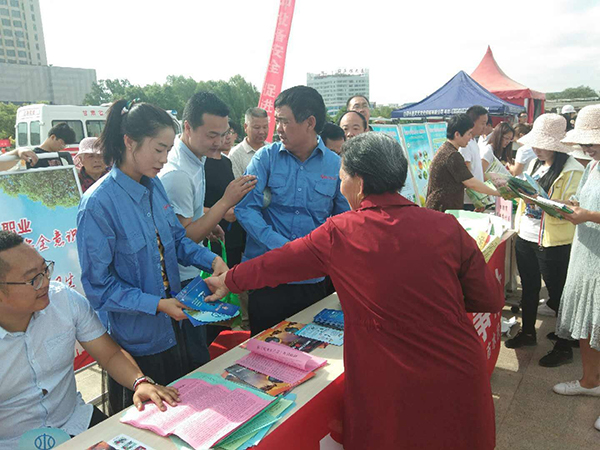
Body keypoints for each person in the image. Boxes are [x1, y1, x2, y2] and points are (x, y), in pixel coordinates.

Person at [206, 132, 502, 450]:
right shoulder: (446, 226)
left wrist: (228, 281)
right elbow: (490, 298)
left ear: (358, 183)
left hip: (390, 385)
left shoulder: (341, 233)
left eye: (342, 177)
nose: (340, 185)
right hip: (458, 373)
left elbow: (278, 263)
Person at [76, 99, 226, 414]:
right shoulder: (98, 204)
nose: (164, 159)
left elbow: (176, 240)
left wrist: (211, 261)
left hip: (178, 325)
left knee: (191, 411)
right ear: (129, 142)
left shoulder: (154, 186)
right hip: (140, 342)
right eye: (158, 149)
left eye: (168, 150)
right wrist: (157, 304)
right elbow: (98, 287)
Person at [0, 231, 180, 449]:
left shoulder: (64, 300)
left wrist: (139, 382)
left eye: (45, 269)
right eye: (33, 279)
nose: (45, 281)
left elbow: (110, 354)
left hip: (76, 423)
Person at [235, 86, 350, 336]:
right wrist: (282, 246)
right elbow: (246, 208)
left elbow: (344, 220)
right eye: (277, 121)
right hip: (267, 276)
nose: (278, 129)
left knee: (310, 349)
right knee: (264, 352)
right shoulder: (265, 158)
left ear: (310, 122)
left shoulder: (335, 165)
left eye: (284, 121)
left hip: (311, 278)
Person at [158, 92, 256, 367]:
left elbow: (187, 218)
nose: (219, 142)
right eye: (212, 135)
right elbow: (184, 239)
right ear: (188, 127)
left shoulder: (196, 157)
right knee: (192, 356)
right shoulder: (178, 173)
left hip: (190, 273)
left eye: (223, 134)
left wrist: (209, 220)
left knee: (200, 347)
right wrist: (224, 203)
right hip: (180, 280)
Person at [504, 114, 584, 368]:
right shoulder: (535, 164)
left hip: (553, 241)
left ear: (557, 145)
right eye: (535, 143)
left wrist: (547, 202)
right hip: (526, 234)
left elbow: (575, 206)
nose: (536, 149)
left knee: (558, 294)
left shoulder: (573, 169)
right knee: (528, 288)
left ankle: (564, 345)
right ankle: (528, 332)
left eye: (542, 144)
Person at [551, 105, 600, 431]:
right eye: (583, 143)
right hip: (585, 254)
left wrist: (588, 216)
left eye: (591, 142)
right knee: (586, 323)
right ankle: (590, 380)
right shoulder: (592, 166)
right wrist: (574, 208)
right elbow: (585, 202)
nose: (586, 148)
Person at [426, 114, 499, 212]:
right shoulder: (452, 155)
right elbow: (470, 182)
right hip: (442, 209)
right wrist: (497, 193)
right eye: (469, 134)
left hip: (441, 207)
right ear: (457, 134)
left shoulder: (446, 149)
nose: (470, 137)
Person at [459, 105, 489, 210]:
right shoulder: (465, 145)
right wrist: (477, 200)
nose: (484, 127)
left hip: (475, 198)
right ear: (472, 123)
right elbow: (466, 176)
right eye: (482, 123)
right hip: (469, 200)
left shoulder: (473, 142)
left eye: (486, 123)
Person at [229, 107, 269, 178]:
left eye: (265, 127)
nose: (261, 132)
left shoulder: (272, 150)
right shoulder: (235, 155)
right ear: (246, 127)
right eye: (257, 127)